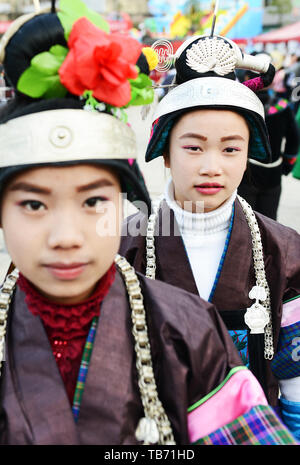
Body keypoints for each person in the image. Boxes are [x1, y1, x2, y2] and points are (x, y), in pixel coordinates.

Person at [0, 0, 295, 446]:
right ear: (164, 150)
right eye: (34, 206)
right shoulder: (116, 243)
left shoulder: (212, 312)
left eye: (94, 200)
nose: (66, 238)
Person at [120, 33, 300, 440]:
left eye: (231, 149)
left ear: (249, 151)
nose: (212, 167)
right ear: (165, 152)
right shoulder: (122, 247)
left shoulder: (286, 250)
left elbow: (295, 384)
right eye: (194, 148)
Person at [237, 76, 299, 220]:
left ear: (247, 78)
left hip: (247, 173)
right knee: (268, 224)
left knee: (245, 222)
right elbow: (294, 138)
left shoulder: (243, 105)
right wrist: (287, 166)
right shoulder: (282, 106)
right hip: (273, 173)